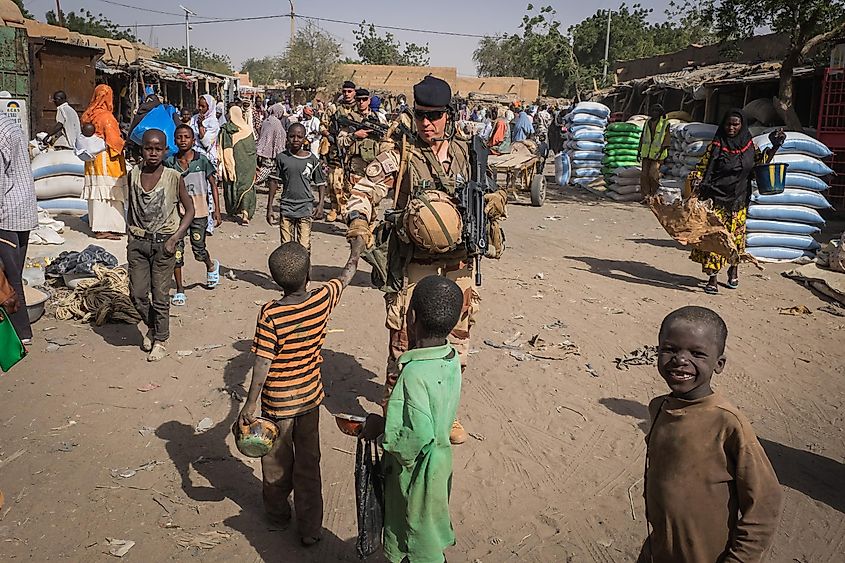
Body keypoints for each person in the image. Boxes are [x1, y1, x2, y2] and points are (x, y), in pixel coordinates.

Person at [345, 75, 510, 445]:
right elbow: (364, 190)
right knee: (403, 339)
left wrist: (494, 203)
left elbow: (492, 195)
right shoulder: (400, 155)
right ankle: (394, 409)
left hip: (459, 263)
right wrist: (358, 219)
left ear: (448, 116)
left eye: (434, 116)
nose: (427, 124)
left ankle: (447, 412)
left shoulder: (469, 155)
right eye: (421, 115)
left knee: (459, 337)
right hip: (415, 263)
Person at [238, 237, 365, 547]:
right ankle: (310, 528)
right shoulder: (322, 299)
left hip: (277, 404)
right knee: (309, 464)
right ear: (309, 275)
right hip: (309, 400)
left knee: (276, 462)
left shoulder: (270, 314)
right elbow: (347, 274)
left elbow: (262, 363)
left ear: (274, 280)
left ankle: (279, 514)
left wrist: (249, 405)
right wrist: (357, 248)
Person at [640, 306, 782, 563]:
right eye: (670, 349)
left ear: (719, 364)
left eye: (697, 353)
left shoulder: (728, 423)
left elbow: (765, 503)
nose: (681, 360)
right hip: (660, 549)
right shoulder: (659, 407)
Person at [361, 275, 463, 563]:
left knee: (413, 530)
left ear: (411, 317)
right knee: (430, 521)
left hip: (415, 473)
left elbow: (412, 438)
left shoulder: (413, 375)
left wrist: (379, 426)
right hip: (440, 463)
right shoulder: (451, 357)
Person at [689, 110, 784, 294]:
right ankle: (713, 277)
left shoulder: (749, 146)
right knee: (716, 238)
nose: (731, 128)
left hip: (739, 199)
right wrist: (697, 179)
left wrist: (774, 147)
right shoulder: (716, 145)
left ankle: (733, 268)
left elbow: (760, 164)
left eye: (735, 125)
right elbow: (702, 166)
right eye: (728, 124)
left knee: (736, 239)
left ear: (742, 126)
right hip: (716, 197)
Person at [126, 129, 195, 362]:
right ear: (141, 149)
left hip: (164, 244)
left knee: (160, 294)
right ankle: (153, 325)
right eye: (148, 148)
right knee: (137, 294)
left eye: (158, 149)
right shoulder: (133, 174)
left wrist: (175, 238)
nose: (153, 153)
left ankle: (161, 339)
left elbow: (190, 210)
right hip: (138, 242)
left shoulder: (174, 177)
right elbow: (131, 207)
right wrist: (130, 234)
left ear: (166, 151)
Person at [165, 124, 221, 306]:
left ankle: (210, 265)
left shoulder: (202, 161)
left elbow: (213, 184)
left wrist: (216, 211)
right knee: (177, 251)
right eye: (179, 137)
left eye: (186, 137)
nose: (183, 140)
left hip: (199, 212)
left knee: (198, 249)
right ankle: (180, 290)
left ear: (193, 140)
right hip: (177, 214)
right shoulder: (170, 162)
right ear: (174, 141)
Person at [0, 112, 38, 345]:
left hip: (5, 214)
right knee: (12, 274)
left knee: (8, 279)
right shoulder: (6, 122)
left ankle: (20, 334)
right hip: (21, 211)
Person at [266, 123, 326, 251]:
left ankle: (305, 271)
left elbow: (321, 183)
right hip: (287, 206)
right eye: (292, 136)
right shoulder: (282, 158)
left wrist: (320, 204)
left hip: (305, 206)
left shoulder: (312, 160)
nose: (295, 140)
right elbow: (274, 182)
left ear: (305, 138)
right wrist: (270, 207)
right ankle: (287, 271)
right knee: (286, 247)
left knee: (304, 246)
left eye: (299, 136)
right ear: (287, 137)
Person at [81, 84, 128, 240]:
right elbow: (113, 140)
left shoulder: (87, 115)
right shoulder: (107, 117)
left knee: (96, 192)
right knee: (108, 192)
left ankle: (97, 225)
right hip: (107, 160)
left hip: (92, 161)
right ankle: (105, 228)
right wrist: (124, 144)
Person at [319, 80, 358, 223]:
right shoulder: (334, 108)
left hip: (354, 152)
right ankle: (335, 208)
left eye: (350, 91)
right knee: (333, 181)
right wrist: (329, 136)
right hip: (336, 150)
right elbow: (322, 125)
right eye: (344, 91)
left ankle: (346, 208)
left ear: (354, 92)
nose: (347, 94)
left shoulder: (358, 108)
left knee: (349, 183)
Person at [219, 105, 257, 225]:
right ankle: (245, 214)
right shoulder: (248, 129)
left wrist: (228, 166)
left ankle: (232, 211)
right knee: (247, 187)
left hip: (234, 164)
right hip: (248, 165)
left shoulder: (227, 130)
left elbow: (227, 150)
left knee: (233, 185)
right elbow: (252, 150)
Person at [638, 104, 671, 198]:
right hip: (646, 153)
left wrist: (660, 153)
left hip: (658, 154)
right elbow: (643, 137)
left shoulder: (665, 124)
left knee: (653, 174)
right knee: (644, 175)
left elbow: (666, 140)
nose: (654, 113)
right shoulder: (647, 122)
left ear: (660, 113)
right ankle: (645, 196)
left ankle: (654, 194)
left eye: (657, 111)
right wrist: (638, 151)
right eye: (653, 111)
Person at [256, 103, 288, 186]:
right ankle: (254, 181)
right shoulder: (276, 122)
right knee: (267, 167)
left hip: (263, 147)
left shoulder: (266, 120)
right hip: (270, 149)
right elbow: (278, 136)